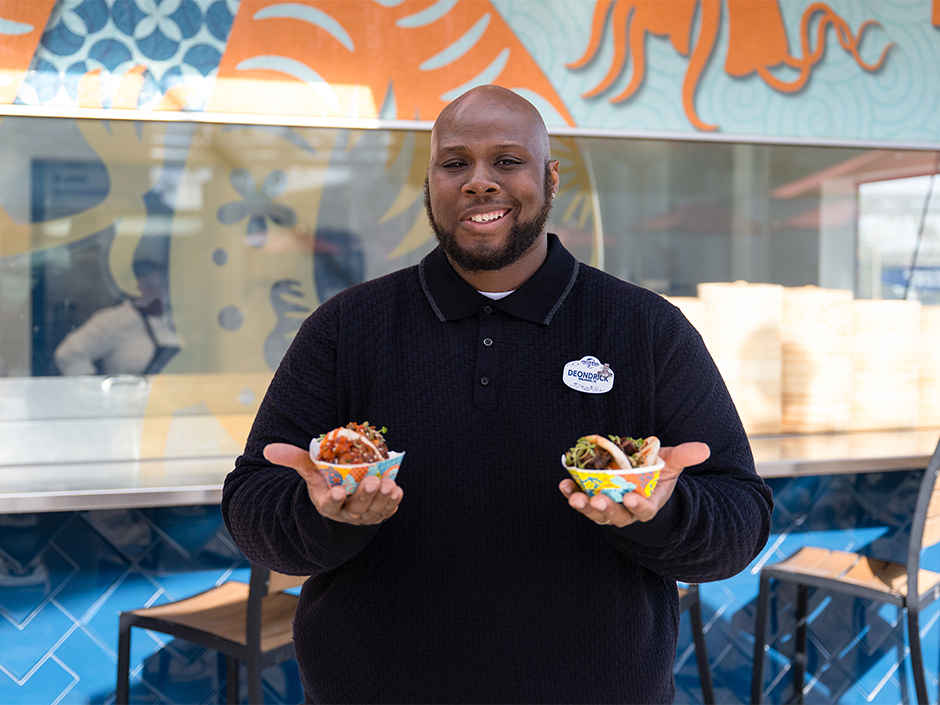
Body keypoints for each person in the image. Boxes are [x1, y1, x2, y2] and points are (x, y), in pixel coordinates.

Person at [222, 85, 773, 704]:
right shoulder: (346, 326)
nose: (479, 181)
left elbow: (742, 520)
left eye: (507, 161)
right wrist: (322, 517)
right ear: (430, 182)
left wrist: (660, 515)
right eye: (454, 162)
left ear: (551, 177)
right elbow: (251, 503)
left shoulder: (646, 328)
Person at [54, 259, 178, 376]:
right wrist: (92, 386)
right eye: (149, 285)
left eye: (161, 285)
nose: (157, 292)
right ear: (129, 288)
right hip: (130, 392)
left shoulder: (175, 319)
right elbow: (68, 353)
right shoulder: (115, 319)